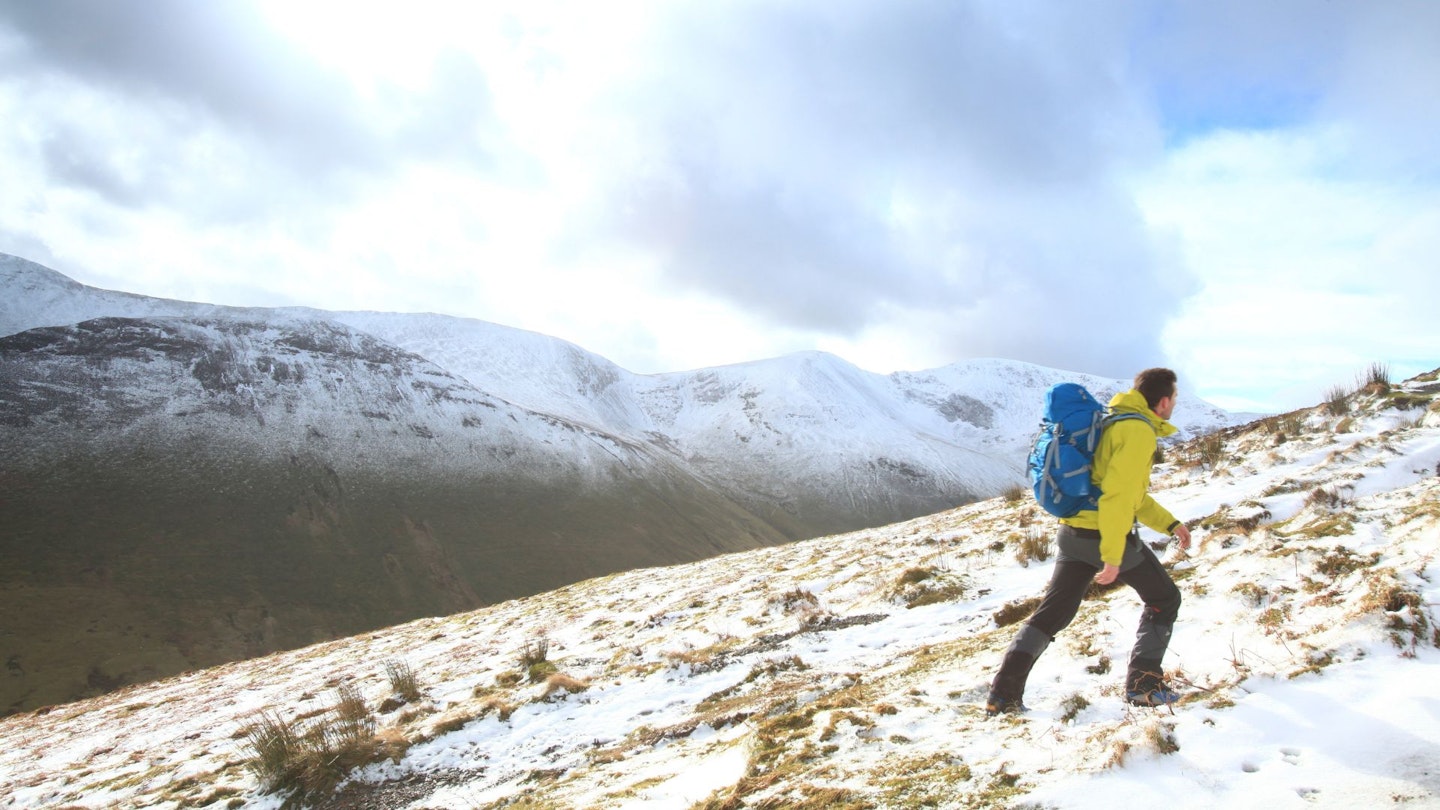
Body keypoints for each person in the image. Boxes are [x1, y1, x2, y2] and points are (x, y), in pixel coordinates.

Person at [987, 368, 1193, 715]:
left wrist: (1170, 524)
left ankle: (1002, 695)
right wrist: (1112, 556)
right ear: (1162, 402)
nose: (1174, 404)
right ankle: (1144, 685)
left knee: (1052, 614)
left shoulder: (1114, 423)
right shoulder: (1138, 432)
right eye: (1174, 398)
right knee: (1164, 599)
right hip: (1103, 536)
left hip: (1072, 534)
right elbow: (1117, 498)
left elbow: (1129, 494)